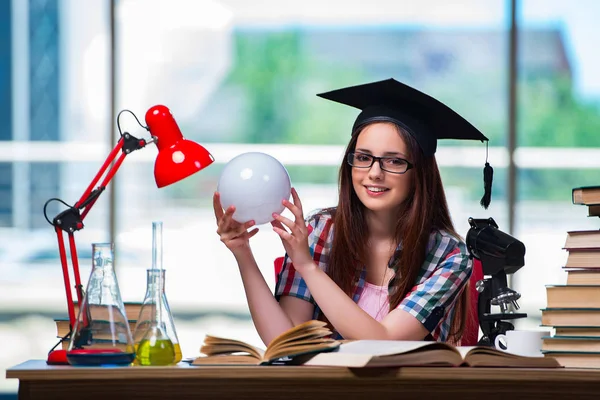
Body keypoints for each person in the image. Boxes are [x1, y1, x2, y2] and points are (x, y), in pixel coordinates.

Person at [213, 78, 490, 346]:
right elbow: (286, 340)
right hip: (327, 390)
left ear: (420, 173)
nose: (374, 173)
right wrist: (242, 252)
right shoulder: (320, 231)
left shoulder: (449, 255)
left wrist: (307, 267)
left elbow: (384, 342)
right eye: (363, 157)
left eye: (394, 161)